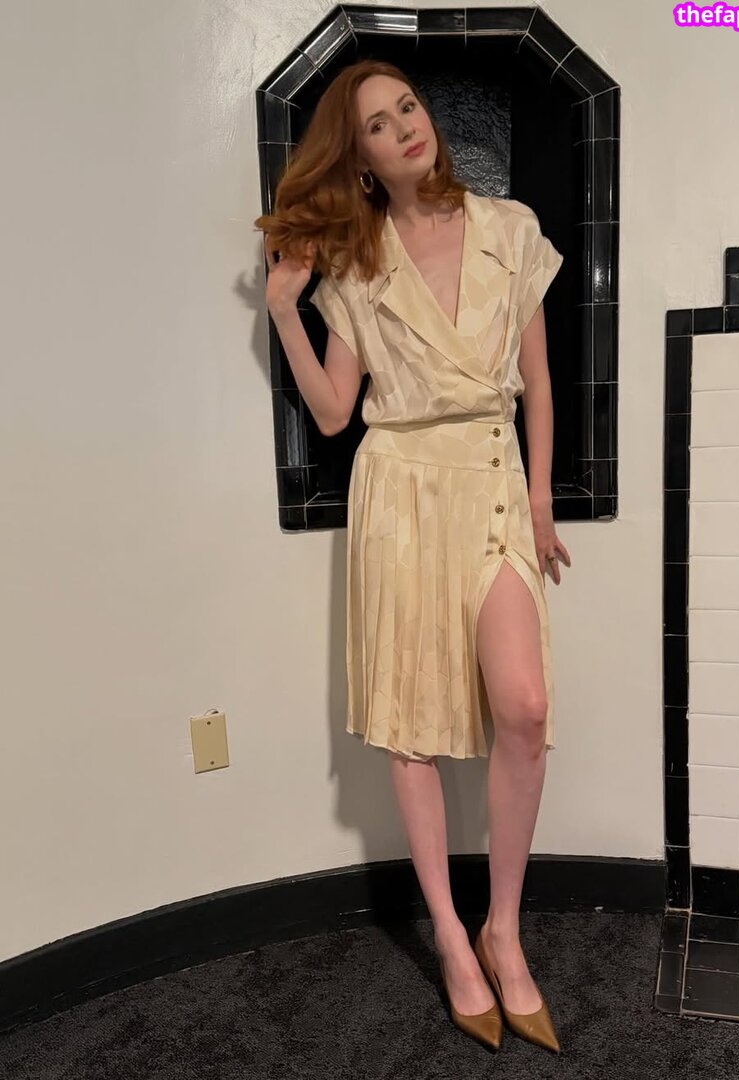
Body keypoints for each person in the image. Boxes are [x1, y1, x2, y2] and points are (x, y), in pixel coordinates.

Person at [254, 59, 571, 1053]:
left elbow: (537, 379)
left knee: (525, 707)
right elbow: (334, 413)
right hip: (398, 490)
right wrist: (284, 310)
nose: (404, 127)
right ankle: (448, 930)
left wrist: (539, 499)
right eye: (379, 126)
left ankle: (503, 926)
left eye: (407, 107)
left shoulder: (509, 228)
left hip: (489, 479)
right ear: (359, 160)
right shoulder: (358, 267)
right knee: (409, 725)